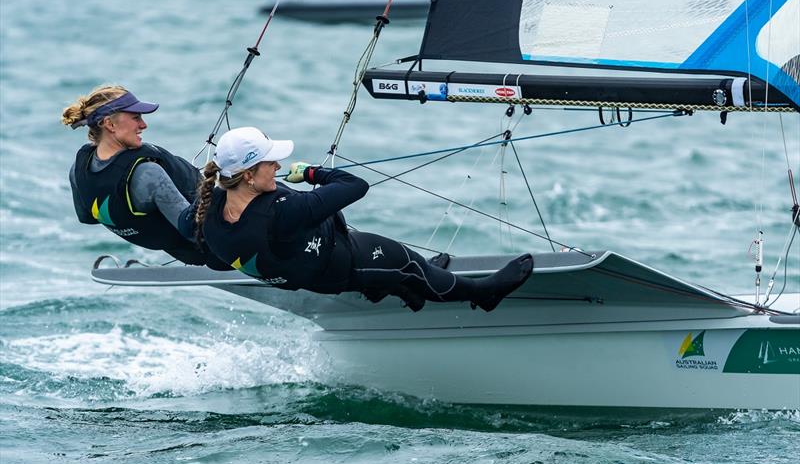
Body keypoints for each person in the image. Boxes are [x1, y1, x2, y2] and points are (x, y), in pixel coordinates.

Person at [194, 126, 533, 312]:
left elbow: (210, 255)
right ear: (249, 175)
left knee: (403, 275)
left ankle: (398, 289)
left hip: (314, 275)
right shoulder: (283, 213)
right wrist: (312, 172)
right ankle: (482, 294)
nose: (279, 168)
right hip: (347, 262)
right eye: (271, 163)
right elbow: (355, 185)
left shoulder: (208, 209)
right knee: (410, 264)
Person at [62, 84, 228, 269]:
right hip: (231, 249)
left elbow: (87, 217)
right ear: (110, 124)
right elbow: (192, 231)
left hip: (188, 254)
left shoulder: (78, 170)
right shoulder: (147, 174)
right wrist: (223, 186)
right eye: (135, 118)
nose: (143, 125)